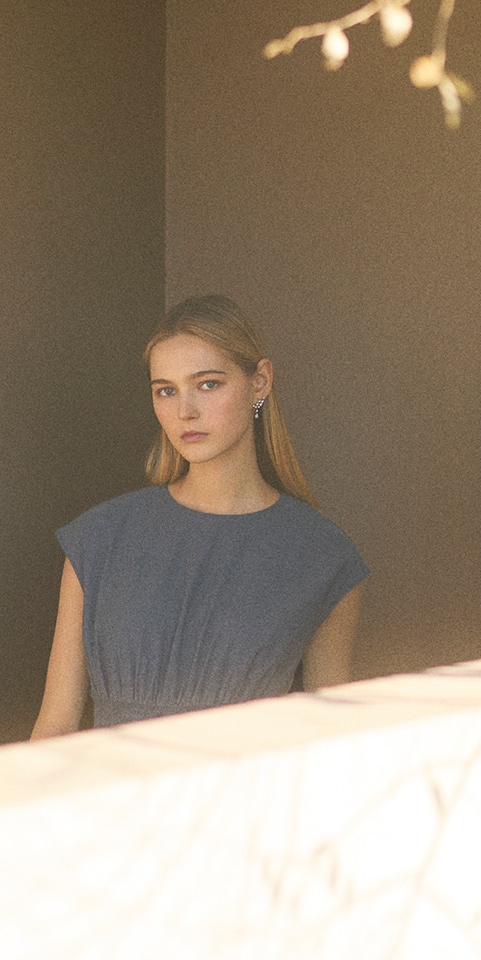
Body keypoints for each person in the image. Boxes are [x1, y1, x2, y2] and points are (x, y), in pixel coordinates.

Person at [31, 294, 367, 735]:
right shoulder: (100, 538)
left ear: (260, 382)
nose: (185, 411)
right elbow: (54, 726)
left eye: (208, 384)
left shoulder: (322, 556)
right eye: (166, 391)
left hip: (243, 779)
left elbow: (331, 738)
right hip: (110, 780)